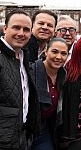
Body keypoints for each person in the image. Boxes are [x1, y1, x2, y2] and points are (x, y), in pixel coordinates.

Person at [0, 10, 39, 149]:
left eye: (26, 29)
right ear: (5, 28)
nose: (21, 33)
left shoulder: (23, 56)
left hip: (21, 137)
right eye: (16, 27)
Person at [31, 38, 68, 150]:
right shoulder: (31, 71)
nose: (58, 57)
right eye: (54, 51)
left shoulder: (64, 76)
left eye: (63, 53)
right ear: (46, 52)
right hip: (25, 128)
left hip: (44, 130)